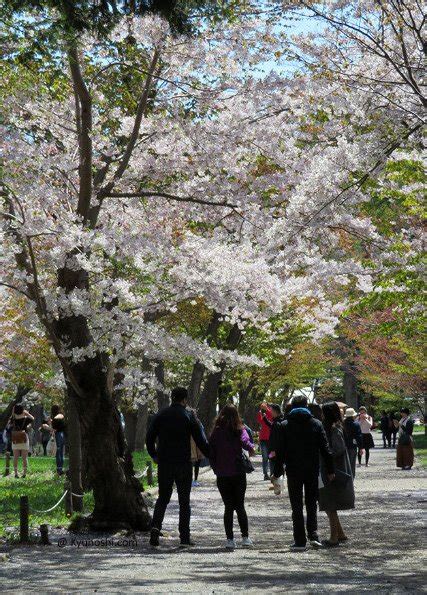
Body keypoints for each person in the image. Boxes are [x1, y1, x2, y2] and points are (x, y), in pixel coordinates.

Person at [146, 387, 209, 548]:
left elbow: (149, 437)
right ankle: (185, 538)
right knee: (184, 501)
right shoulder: (188, 416)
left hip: (165, 462)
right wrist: (212, 454)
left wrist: (154, 455)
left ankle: (155, 528)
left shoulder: (161, 415)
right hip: (183, 463)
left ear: (172, 398)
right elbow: (200, 440)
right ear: (185, 399)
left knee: (163, 498)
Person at [272, 395, 334, 551]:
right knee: (312, 503)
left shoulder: (284, 425)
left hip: (293, 470)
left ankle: (299, 540)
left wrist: (277, 472)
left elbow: (280, 451)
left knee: (296, 505)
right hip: (312, 469)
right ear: (306, 405)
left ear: (292, 406)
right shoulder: (316, 424)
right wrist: (331, 470)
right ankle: (313, 535)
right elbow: (326, 450)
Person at [209, 403, 255, 550]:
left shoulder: (216, 431)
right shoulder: (239, 429)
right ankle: (245, 538)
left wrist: (216, 468)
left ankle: (230, 540)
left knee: (228, 507)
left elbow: (211, 452)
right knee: (240, 505)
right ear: (236, 415)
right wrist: (251, 448)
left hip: (222, 474)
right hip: (238, 473)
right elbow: (246, 443)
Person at [319, 402, 355, 547]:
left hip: (333, 470)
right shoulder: (334, 427)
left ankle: (334, 537)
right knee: (328, 503)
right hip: (331, 468)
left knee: (329, 504)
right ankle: (340, 533)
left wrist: (326, 455)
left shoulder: (334, 429)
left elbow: (338, 449)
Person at [10, 404, 34, 478]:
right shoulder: (25, 418)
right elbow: (32, 418)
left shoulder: (13, 418)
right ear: (22, 410)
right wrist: (26, 413)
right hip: (24, 438)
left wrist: (13, 412)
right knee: (24, 458)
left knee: (15, 457)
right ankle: (24, 474)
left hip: (15, 438)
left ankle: (16, 473)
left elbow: (10, 422)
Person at [343, 408, 364, 478]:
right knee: (352, 464)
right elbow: (359, 437)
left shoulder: (342, 424)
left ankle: (345, 481)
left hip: (343, 447)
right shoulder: (356, 424)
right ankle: (351, 480)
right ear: (353, 416)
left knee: (344, 464)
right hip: (352, 446)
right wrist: (361, 448)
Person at [256, 401, 273, 480]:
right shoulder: (260, 413)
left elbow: (271, 417)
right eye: (262, 407)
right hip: (263, 439)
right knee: (265, 457)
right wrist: (261, 413)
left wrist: (267, 409)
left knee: (271, 457)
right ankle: (265, 474)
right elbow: (260, 421)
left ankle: (272, 473)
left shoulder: (270, 412)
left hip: (271, 439)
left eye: (265, 406)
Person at [50, 404, 66, 475]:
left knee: (59, 452)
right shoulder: (60, 416)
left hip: (59, 434)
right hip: (61, 434)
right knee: (60, 452)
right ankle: (60, 468)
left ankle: (59, 469)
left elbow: (54, 427)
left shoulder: (56, 417)